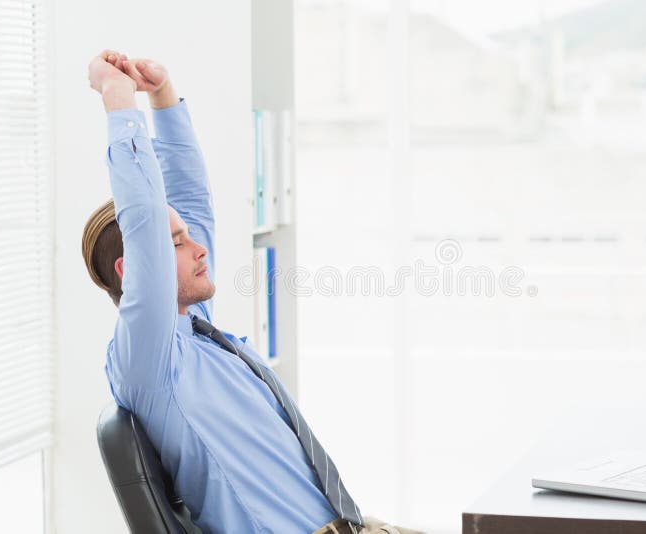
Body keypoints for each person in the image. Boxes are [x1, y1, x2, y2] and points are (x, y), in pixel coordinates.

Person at [82, 50, 422, 534]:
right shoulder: (149, 358)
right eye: (176, 242)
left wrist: (162, 95)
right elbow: (144, 217)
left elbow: (192, 199)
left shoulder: (194, 325)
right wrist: (117, 101)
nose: (199, 248)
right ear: (133, 268)